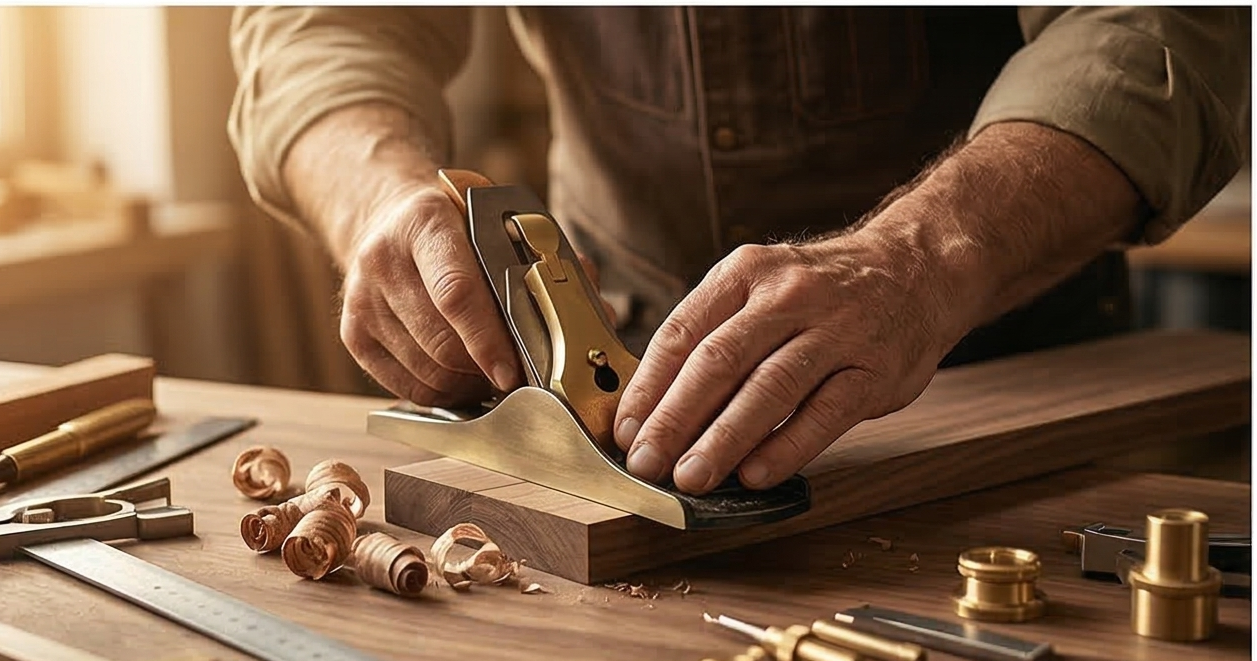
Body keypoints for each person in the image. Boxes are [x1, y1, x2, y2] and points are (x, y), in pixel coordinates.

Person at [228, 7, 1249, 496]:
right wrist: (371, 188)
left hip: (1001, 369)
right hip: (617, 347)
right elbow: (323, 23)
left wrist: (921, 256)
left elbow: (1166, 25)